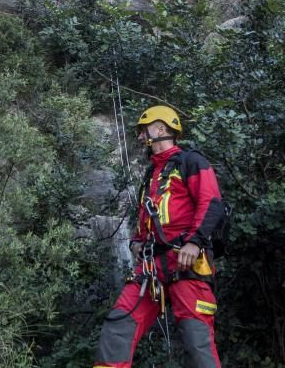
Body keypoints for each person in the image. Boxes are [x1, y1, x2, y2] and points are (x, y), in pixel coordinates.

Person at [94, 106, 225, 368]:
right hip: (152, 266)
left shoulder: (191, 162)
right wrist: (137, 241)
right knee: (118, 326)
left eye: (145, 129)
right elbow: (151, 215)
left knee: (196, 339)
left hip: (185, 262)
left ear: (161, 128)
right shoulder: (152, 174)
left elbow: (211, 203)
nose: (141, 136)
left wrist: (194, 242)